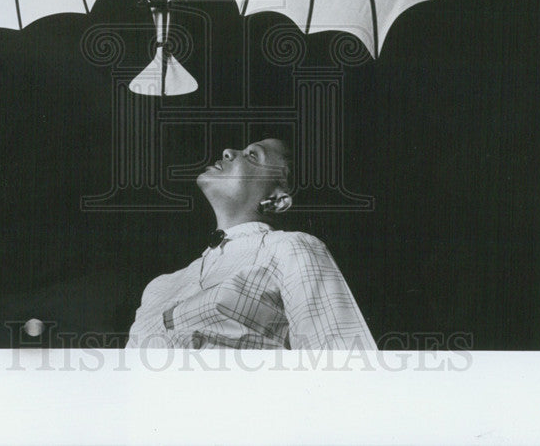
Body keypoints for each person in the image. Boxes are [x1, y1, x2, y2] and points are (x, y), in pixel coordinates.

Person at [126, 138, 376, 350]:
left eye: (253, 157)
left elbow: (341, 361)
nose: (228, 152)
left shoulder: (290, 248)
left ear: (276, 200)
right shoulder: (159, 287)